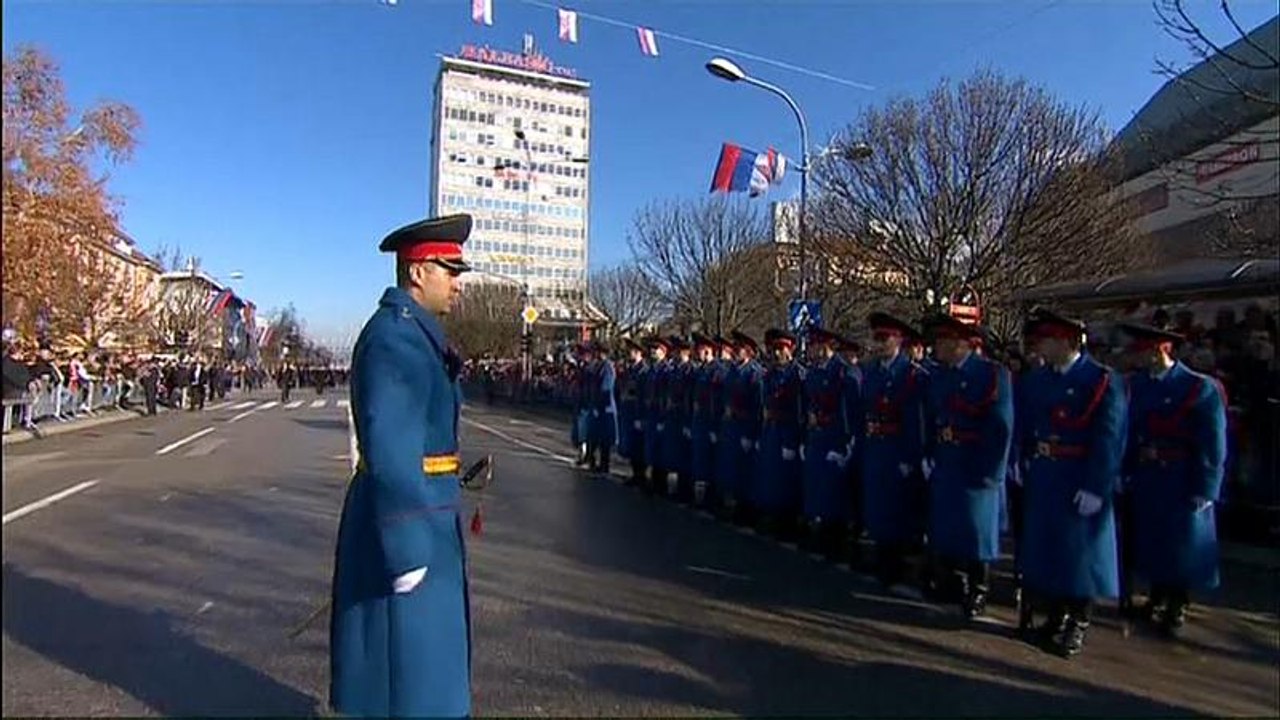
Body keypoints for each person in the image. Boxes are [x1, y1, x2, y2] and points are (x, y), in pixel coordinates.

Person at [329, 214, 473, 718]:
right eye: (449, 270)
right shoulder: (395, 338)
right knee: (407, 676)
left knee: (421, 668)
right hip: (409, 521)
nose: (458, 283)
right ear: (417, 272)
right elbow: (392, 448)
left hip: (428, 512)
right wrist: (408, 548)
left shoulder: (413, 335)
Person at [1016, 309, 1126, 658]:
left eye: (1046, 340)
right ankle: (1055, 614)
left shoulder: (1101, 380)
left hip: (1079, 473)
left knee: (1080, 554)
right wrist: (1021, 460)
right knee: (1051, 549)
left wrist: (1097, 485)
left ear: (1065, 341)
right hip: (1047, 472)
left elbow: (1109, 438)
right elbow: (1025, 423)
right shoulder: (1038, 379)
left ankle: (1079, 620)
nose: (1041, 347)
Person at [1120, 321, 1228, 638]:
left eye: (1141, 352)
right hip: (1148, 474)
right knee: (1154, 539)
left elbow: (1213, 442)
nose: (1135, 359)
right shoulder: (1138, 385)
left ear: (1159, 351)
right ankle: (1156, 596)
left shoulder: (1198, 388)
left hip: (1181, 475)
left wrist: (1207, 485)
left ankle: (1177, 604)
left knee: (1182, 544)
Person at [922, 312, 1014, 619]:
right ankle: (952, 581)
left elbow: (1001, 427)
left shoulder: (991, 374)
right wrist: (930, 453)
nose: (939, 346)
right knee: (949, 523)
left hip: (976, 461)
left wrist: (994, 472)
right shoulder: (942, 375)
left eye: (945, 340)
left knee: (978, 530)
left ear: (962, 344)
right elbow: (934, 417)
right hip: (949, 459)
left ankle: (979, 588)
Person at [855, 313, 930, 593]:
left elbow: (917, 420)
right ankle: (882, 555)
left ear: (898, 340)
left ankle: (896, 562)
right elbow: (865, 413)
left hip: (898, 447)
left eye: (884, 338)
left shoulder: (911, 374)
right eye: (876, 338)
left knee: (898, 508)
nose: (879, 343)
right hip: (876, 447)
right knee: (878, 504)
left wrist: (911, 457)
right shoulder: (871, 371)